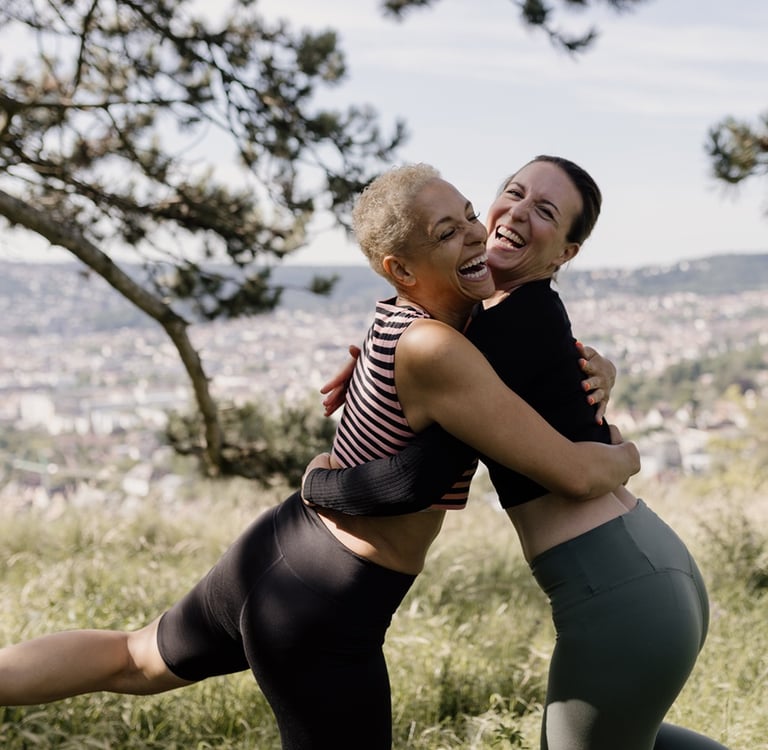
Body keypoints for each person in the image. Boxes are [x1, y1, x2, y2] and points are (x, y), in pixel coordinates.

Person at [0, 165, 640, 750]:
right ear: (403, 271)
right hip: (329, 600)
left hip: (278, 548)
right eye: (450, 233)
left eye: (470, 213)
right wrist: (622, 456)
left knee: (132, 659)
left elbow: (524, 350)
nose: (479, 234)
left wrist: (595, 369)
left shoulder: (401, 318)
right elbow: (425, 478)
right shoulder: (441, 349)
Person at [302, 158, 729, 750]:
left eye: (547, 212)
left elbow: (414, 479)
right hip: (645, 570)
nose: (520, 213)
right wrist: (383, 359)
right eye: (514, 192)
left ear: (564, 255)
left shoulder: (496, 336)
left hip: (617, 590)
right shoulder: (499, 318)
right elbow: (431, 317)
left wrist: (318, 486)